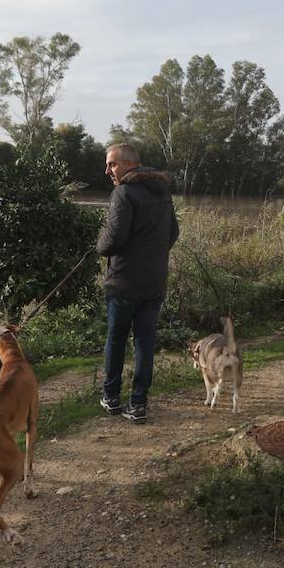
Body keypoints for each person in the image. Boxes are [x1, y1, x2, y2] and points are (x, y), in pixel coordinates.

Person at [97, 143, 179, 425]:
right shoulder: (163, 192)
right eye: (108, 165)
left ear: (130, 164)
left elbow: (113, 240)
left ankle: (111, 398)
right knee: (144, 343)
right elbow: (173, 232)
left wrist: (100, 245)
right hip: (154, 283)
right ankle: (139, 404)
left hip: (123, 283)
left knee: (116, 339)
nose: (107, 170)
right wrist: (154, 256)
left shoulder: (123, 193)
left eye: (112, 164)